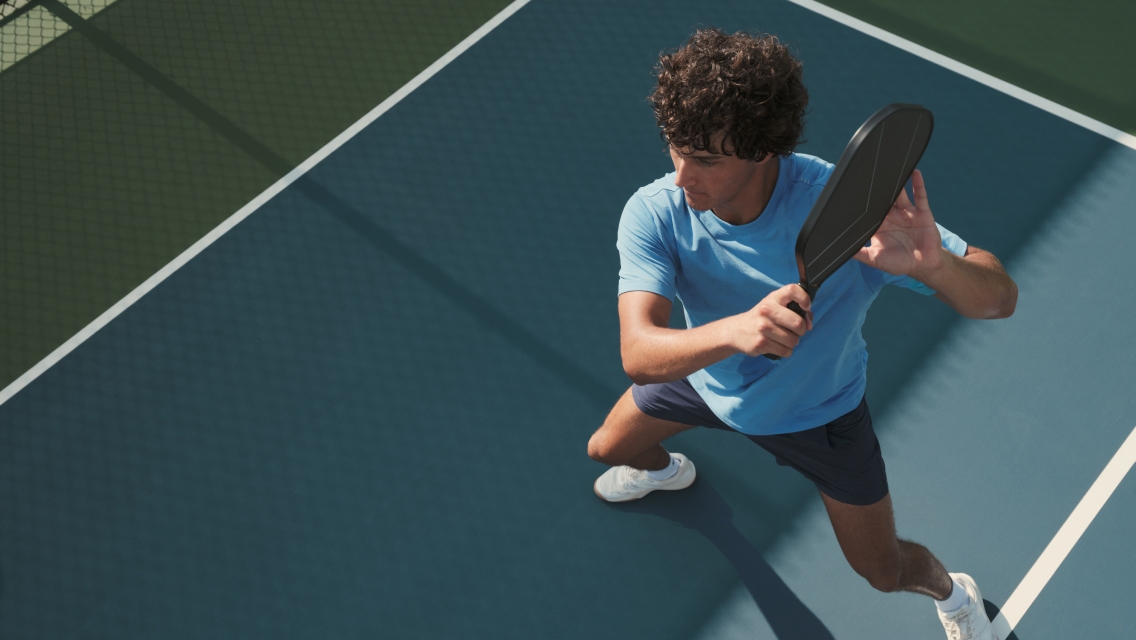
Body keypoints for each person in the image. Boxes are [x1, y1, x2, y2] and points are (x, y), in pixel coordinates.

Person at [586, 29, 1017, 640]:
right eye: (675, 150)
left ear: (763, 150)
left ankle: (955, 594)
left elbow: (1000, 298)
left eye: (707, 160)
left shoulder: (850, 211)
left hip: (821, 417)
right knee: (607, 448)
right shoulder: (655, 211)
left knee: (883, 570)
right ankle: (664, 471)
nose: (683, 177)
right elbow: (640, 351)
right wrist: (740, 331)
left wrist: (934, 265)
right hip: (706, 382)